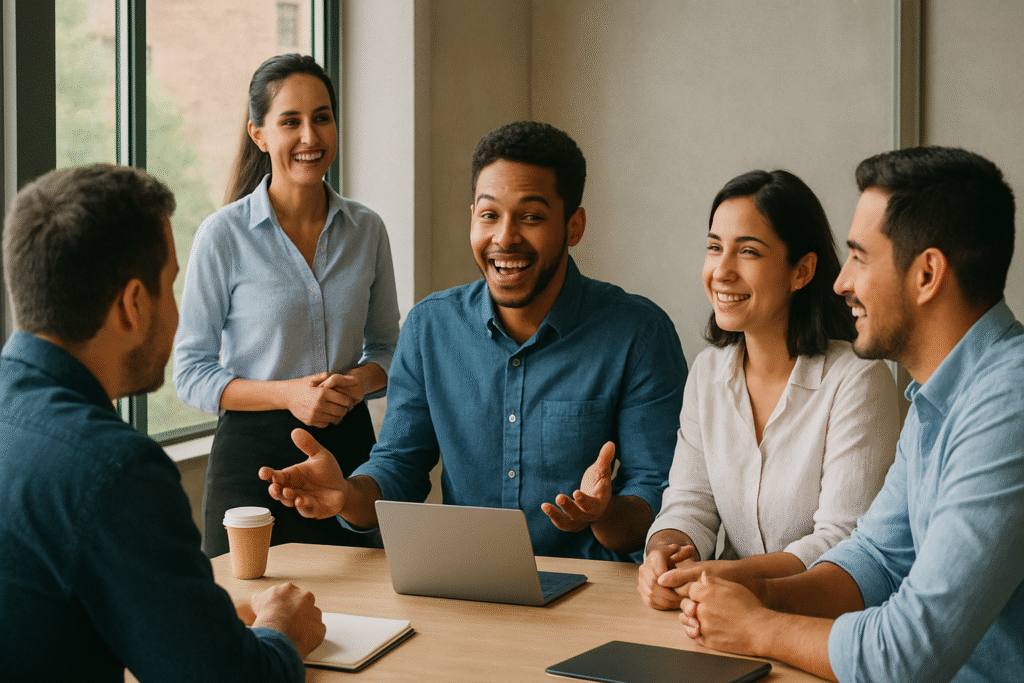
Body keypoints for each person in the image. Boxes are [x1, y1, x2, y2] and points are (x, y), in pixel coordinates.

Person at [259, 121, 688, 562]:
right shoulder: (431, 327)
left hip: (593, 591)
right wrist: (346, 494)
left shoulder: (639, 333)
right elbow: (399, 467)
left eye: (531, 216)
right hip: (467, 585)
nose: (504, 237)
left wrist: (603, 513)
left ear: (574, 225)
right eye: (489, 215)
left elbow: (657, 492)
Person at [678, 147, 1024, 683]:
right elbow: (875, 559)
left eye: (859, 257)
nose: (842, 283)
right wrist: (756, 593)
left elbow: (910, 652)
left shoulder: (1010, 402)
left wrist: (757, 628)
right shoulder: (938, 398)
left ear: (927, 274)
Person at [0, 164, 325, 681]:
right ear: (132, 305)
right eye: (170, 286)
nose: (177, 315)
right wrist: (282, 630)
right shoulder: (114, 469)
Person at [638, 170, 899, 610]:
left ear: (802, 271)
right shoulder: (707, 373)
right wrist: (665, 552)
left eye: (748, 252)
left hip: (824, 621)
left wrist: (724, 577)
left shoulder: (857, 378)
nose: (721, 271)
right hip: (718, 616)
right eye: (715, 247)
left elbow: (844, 540)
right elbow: (689, 502)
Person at [174, 54, 400, 557]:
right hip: (250, 465)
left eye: (322, 118)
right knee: (244, 620)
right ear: (259, 134)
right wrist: (289, 394)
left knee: (373, 613)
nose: (310, 138)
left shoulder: (367, 230)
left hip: (351, 460)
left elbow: (389, 349)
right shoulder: (222, 236)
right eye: (290, 122)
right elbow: (190, 373)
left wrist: (357, 381)